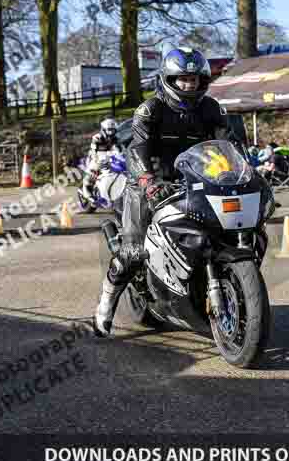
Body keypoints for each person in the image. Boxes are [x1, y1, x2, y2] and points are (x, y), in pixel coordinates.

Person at [93, 47, 241, 337]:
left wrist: (243, 169)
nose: (190, 85)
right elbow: (136, 151)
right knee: (133, 252)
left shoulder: (211, 108)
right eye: (183, 79)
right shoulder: (150, 110)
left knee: (230, 228)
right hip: (149, 183)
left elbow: (229, 143)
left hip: (196, 180)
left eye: (195, 80)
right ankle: (105, 305)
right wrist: (148, 181)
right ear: (169, 80)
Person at [80, 117, 118, 202]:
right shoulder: (97, 137)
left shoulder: (115, 138)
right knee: (93, 169)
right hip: (95, 157)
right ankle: (86, 189)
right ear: (103, 129)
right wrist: (97, 159)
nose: (111, 132)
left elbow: (117, 150)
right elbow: (93, 151)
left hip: (108, 158)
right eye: (109, 130)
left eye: (113, 130)